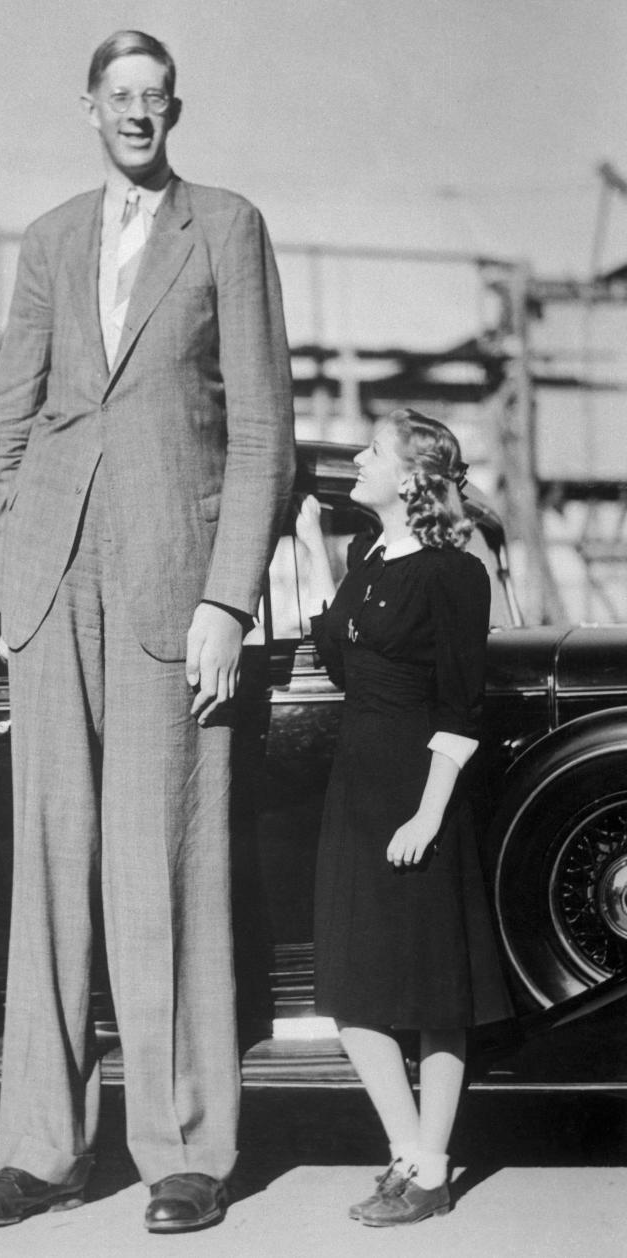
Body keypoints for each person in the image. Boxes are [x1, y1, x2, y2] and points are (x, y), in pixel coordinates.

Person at [0, 29, 294, 1234]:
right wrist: (7, 557)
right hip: (50, 590)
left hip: (172, 591)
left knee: (166, 867)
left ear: (175, 110)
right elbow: (8, 420)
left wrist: (226, 598)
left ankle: (185, 1149)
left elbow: (262, 435)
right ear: (89, 109)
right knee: (48, 871)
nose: (138, 114)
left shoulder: (229, 227)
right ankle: (42, 1150)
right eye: (119, 97)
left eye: (156, 98)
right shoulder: (50, 239)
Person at [296, 409, 512, 1227]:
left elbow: (462, 704)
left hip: (419, 795)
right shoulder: (367, 557)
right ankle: (413, 1156)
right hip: (356, 790)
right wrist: (316, 551)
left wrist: (428, 813)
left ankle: (429, 1170)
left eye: (371, 451)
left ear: (412, 476)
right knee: (353, 995)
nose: (356, 458)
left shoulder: (455, 574)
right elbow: (342, 664)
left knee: (432, 993)